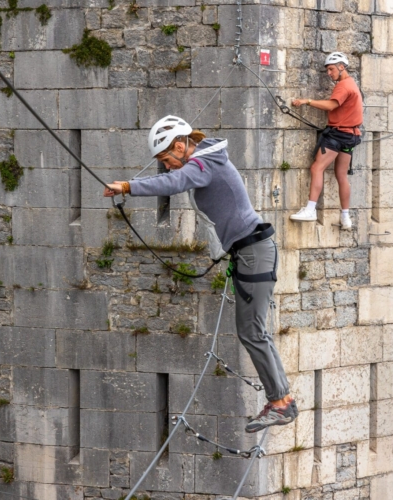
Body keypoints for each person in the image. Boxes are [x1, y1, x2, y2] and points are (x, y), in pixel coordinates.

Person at [104, 115, 297, 433]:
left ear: (180, 147)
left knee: (252, 332)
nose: (166, 167)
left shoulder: (202, 164)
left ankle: (280, 403)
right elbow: (175, 177)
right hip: (252, 252)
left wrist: (127, 186)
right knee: (254, 331)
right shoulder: (208, 158)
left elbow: (172, 184)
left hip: (253, 253)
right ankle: (283, 400)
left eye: (166, 159)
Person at [289, 52, 364, 229]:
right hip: (351, 136)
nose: (329, 73)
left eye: (331, 69)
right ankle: (346, 217)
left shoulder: (343, 86)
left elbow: (331, 105)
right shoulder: (353, 84)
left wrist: (307, 101)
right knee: (341, 175)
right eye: (328, 70)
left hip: (338, 135)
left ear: (341, 67)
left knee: (317, 167)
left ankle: (310, 209)